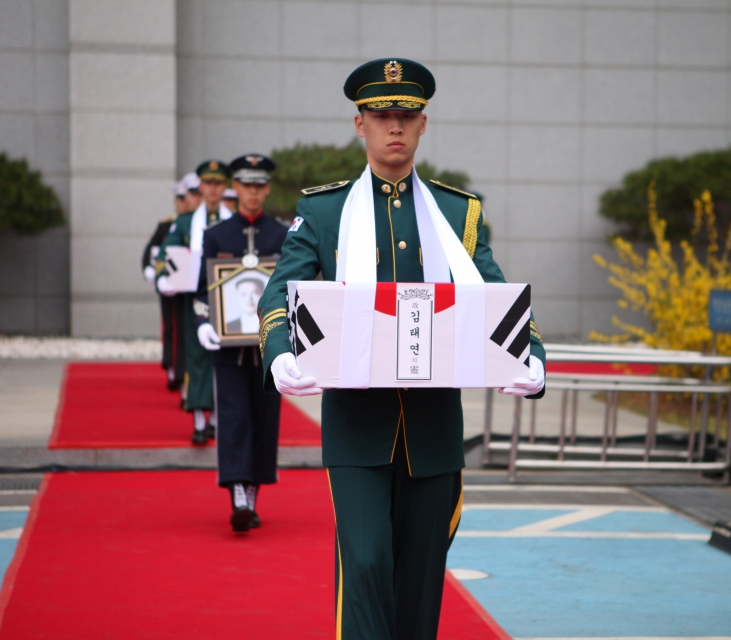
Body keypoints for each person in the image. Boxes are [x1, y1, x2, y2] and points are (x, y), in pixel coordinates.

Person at [257, 59, 546, 639]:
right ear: (359, 124)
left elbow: (495, 294)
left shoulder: (456, 212)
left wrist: (531, 356)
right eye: (383, 115)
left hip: (433, 431)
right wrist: (280, 352)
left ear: (423, 126)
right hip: (357, 427)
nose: (396, 127)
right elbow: (278, 293)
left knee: (420, 577)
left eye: (407, 116)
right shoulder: (325, 211)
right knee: (365, 564)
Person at [194, 153, 287, 532]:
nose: (253, 192)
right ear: (236, 188)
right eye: (246, 185)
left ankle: (252, 491)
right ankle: (237, 491)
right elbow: (203, 288)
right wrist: (203, 320)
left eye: (259, 185)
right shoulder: (217, 235)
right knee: (233, 416)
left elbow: (293, 287)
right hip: (229, 345)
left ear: (267, 189)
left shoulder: (282, 235)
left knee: (265, 418)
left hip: (270, 345)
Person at [156, 161, 233, 444]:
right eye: (208, 183)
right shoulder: (187, 222)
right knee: (198, 359)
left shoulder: (232, 219)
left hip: (228, 300)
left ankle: (218, 419)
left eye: (218, 183)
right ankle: (200, 421)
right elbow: (166, 253)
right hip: (195, 298)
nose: (212, 189)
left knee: (224, 360)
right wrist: (163, 277)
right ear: (200, 186)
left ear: (225, 187)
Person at [143, 174, 200, 391]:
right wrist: (154, 273)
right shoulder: (172, 224)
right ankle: (174, 368)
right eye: (186, 197)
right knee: (173, 328)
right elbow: (155, 251)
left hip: (199, 286)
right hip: (176, 285)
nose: (187, 201)